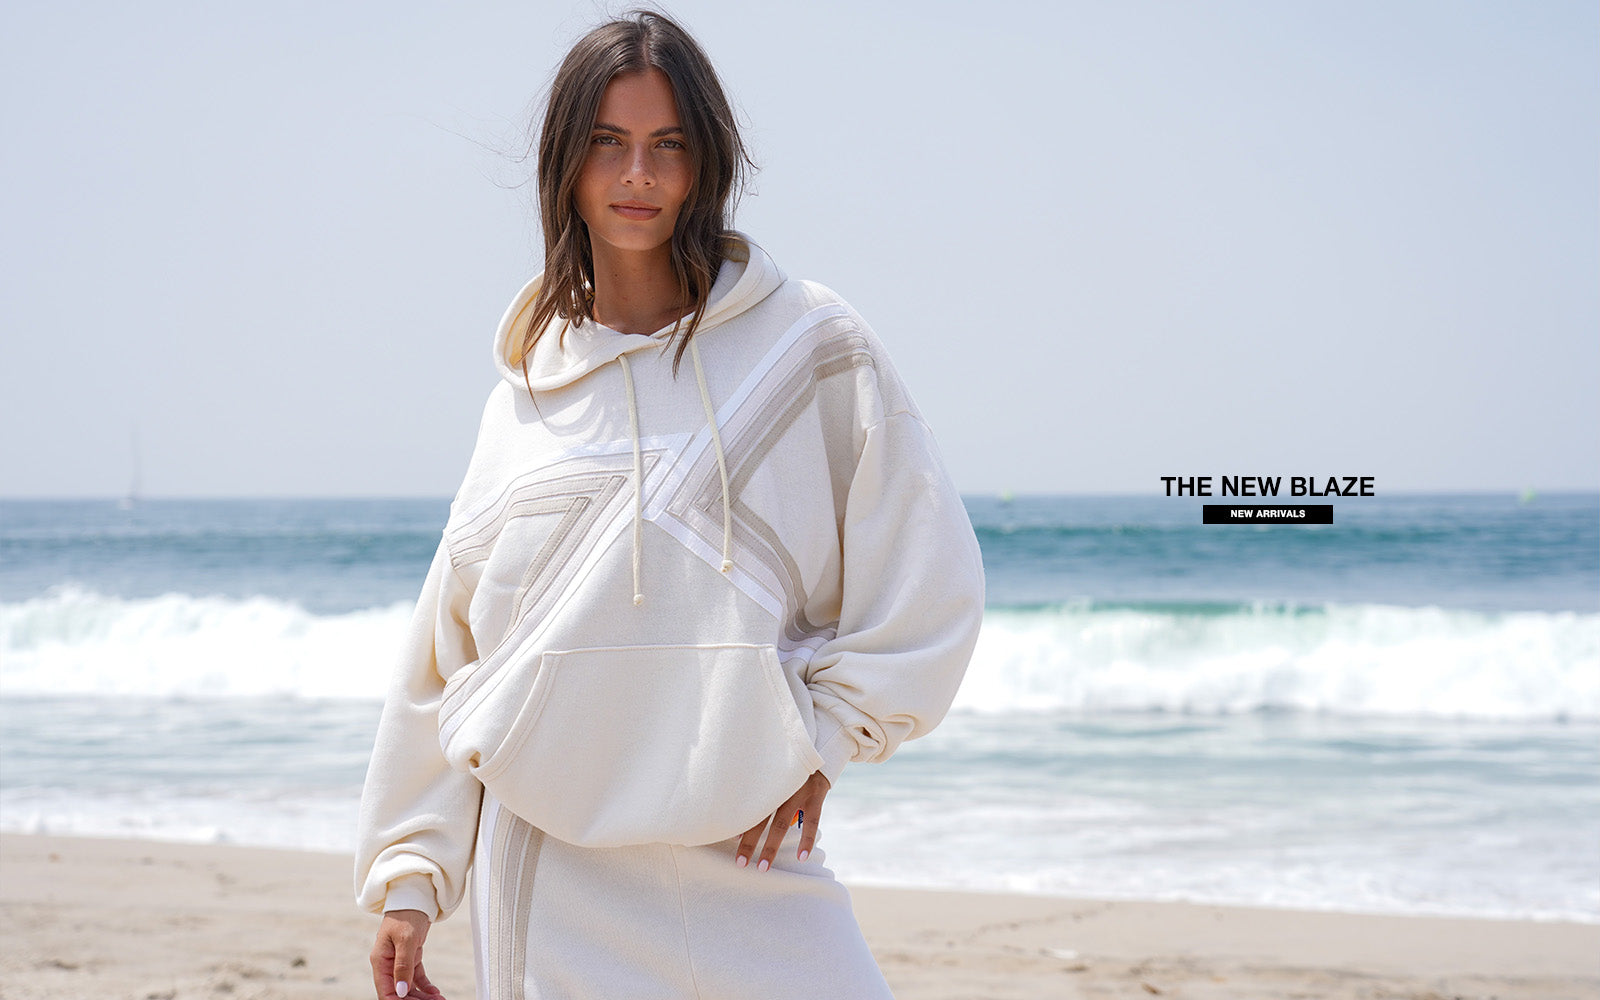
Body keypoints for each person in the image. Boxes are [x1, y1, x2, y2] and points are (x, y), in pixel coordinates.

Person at [354, 9, 985, 999]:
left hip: (751, 849)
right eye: (607, 143)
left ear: (706, 163)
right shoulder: (525, 398)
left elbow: (925, 568)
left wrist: (828, 740)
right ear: (565, 164)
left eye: (668, 145)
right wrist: (410, 874)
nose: (638, 175)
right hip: (551, 872)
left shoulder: (805, 347)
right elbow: (449, 654)